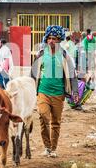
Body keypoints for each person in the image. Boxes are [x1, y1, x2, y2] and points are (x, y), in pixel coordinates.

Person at [31, 25, 79, 158]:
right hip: (43, 91)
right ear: (46, 39)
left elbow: (72, 75)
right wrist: (30, 90)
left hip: (58, 94)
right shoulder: (41, 53)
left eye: (55, 39)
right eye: (49, 38)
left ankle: (53, 148)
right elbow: (33, 73)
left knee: (56, 122)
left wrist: (75, 92)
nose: (51, 41)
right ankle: (46, 146)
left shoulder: (64, 55)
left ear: (59, 40)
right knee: (43, 116)